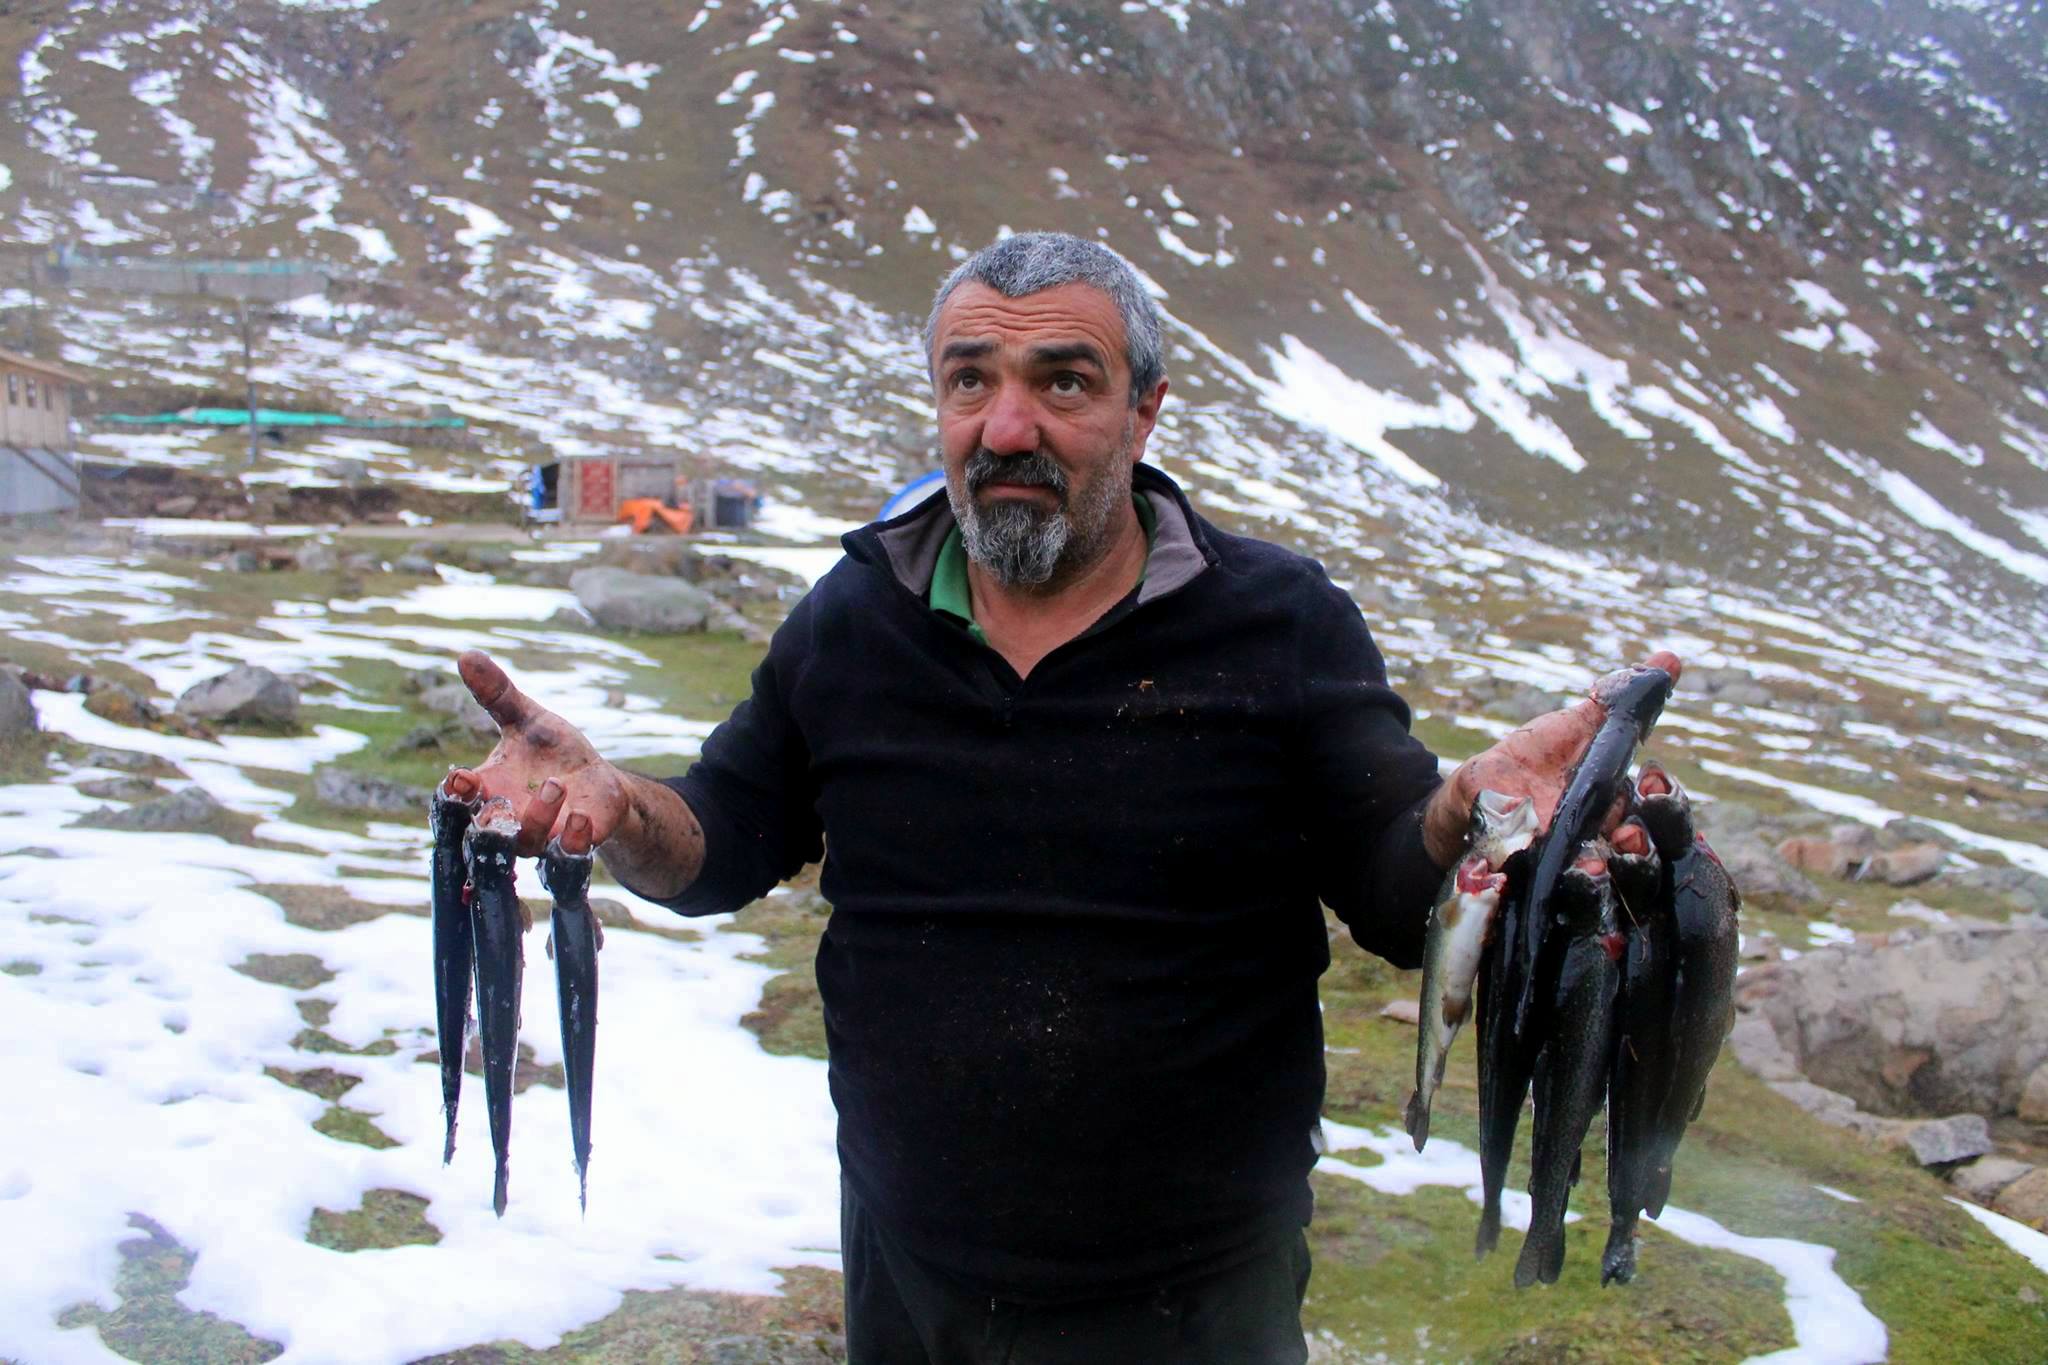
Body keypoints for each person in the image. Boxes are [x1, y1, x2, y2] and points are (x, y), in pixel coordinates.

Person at [446, 232, 1680, 1363]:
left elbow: (1391, 884)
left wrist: (1466, 813)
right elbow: (717, 842)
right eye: (968, 381)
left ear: (1145, 411)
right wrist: (617, 804)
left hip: (1198, 1295)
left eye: (1063, 383)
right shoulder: (854, 620)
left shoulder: (1276, 622)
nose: (1006, 427)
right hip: (909, 1270)